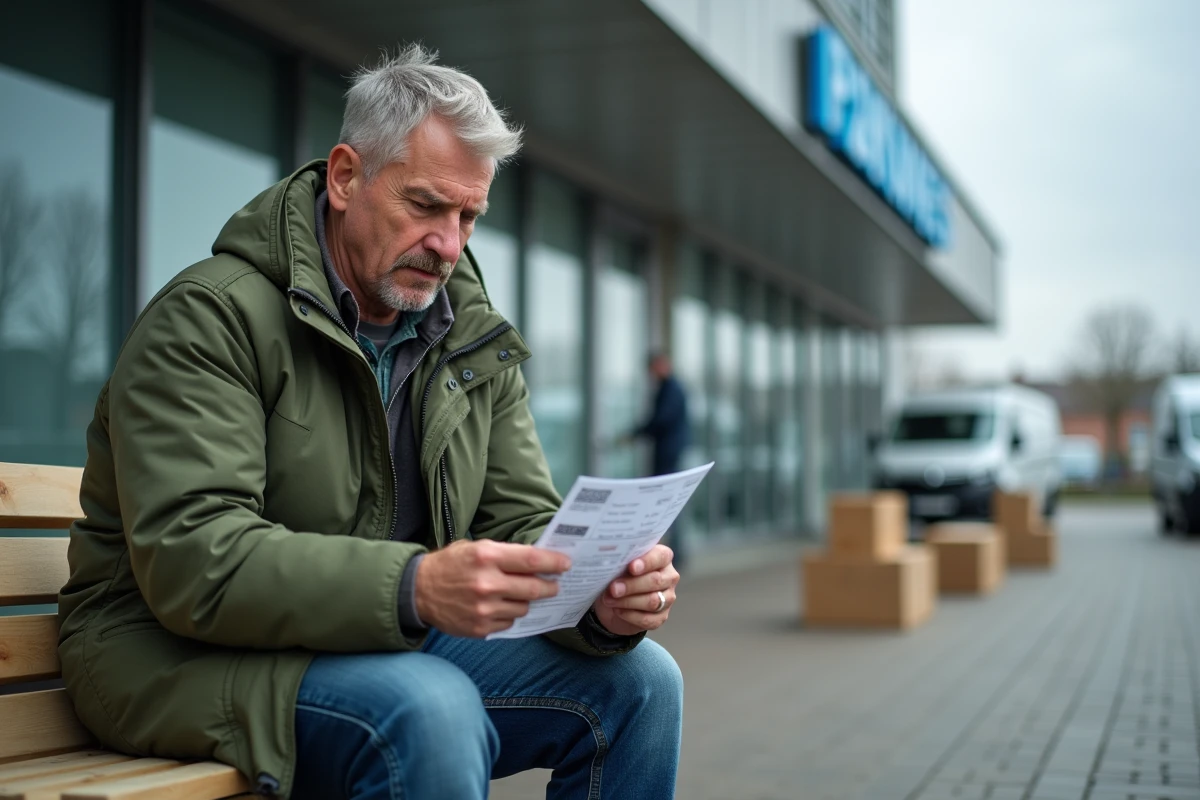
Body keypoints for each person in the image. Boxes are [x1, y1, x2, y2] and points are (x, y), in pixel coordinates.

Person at [57, 45, 682, 800]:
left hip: (375, 643)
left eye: (468, 216)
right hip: (169, 653)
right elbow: (197, 559)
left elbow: (517, 519)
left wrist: (595, 599)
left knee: (643, 681)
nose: (448, 244)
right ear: (347, 176)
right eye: (425, 206)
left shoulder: (470, 335)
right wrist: (414, 586)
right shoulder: (209, 317)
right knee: (430, 710)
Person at [631, 353, 693, 565]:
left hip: (668, 453)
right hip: (669, 452)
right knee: (668, 503)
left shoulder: (671, 389)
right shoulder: (670, 388)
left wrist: (638, 432)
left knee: (667, 504)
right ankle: (674, 553)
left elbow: (662, 420)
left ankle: (674, 554)